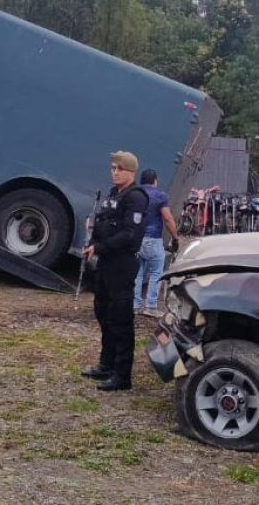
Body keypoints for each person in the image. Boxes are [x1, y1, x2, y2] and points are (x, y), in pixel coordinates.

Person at [81, 151, 149, 392]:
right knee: (104, 312)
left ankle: (122, 375)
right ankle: (106, 364)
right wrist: (93, 239)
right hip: (105, 262)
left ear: (131, 172)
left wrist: (101, 246)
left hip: (122, 263)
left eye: (120, 169)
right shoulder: (113, 194)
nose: (115, 172)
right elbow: (105, 223)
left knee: (121, 319)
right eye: (113, 168)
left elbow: (130, 234)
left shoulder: (136, 198)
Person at [134, 169, 178, 317]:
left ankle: (135, 305)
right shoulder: (160, 196)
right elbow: (167, 218)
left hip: (135, 239)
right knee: (156, 273)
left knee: (137, 273)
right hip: (153, 239)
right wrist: (175, 238)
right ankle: (151, 306)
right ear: (155, 180)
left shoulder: (134, 193)